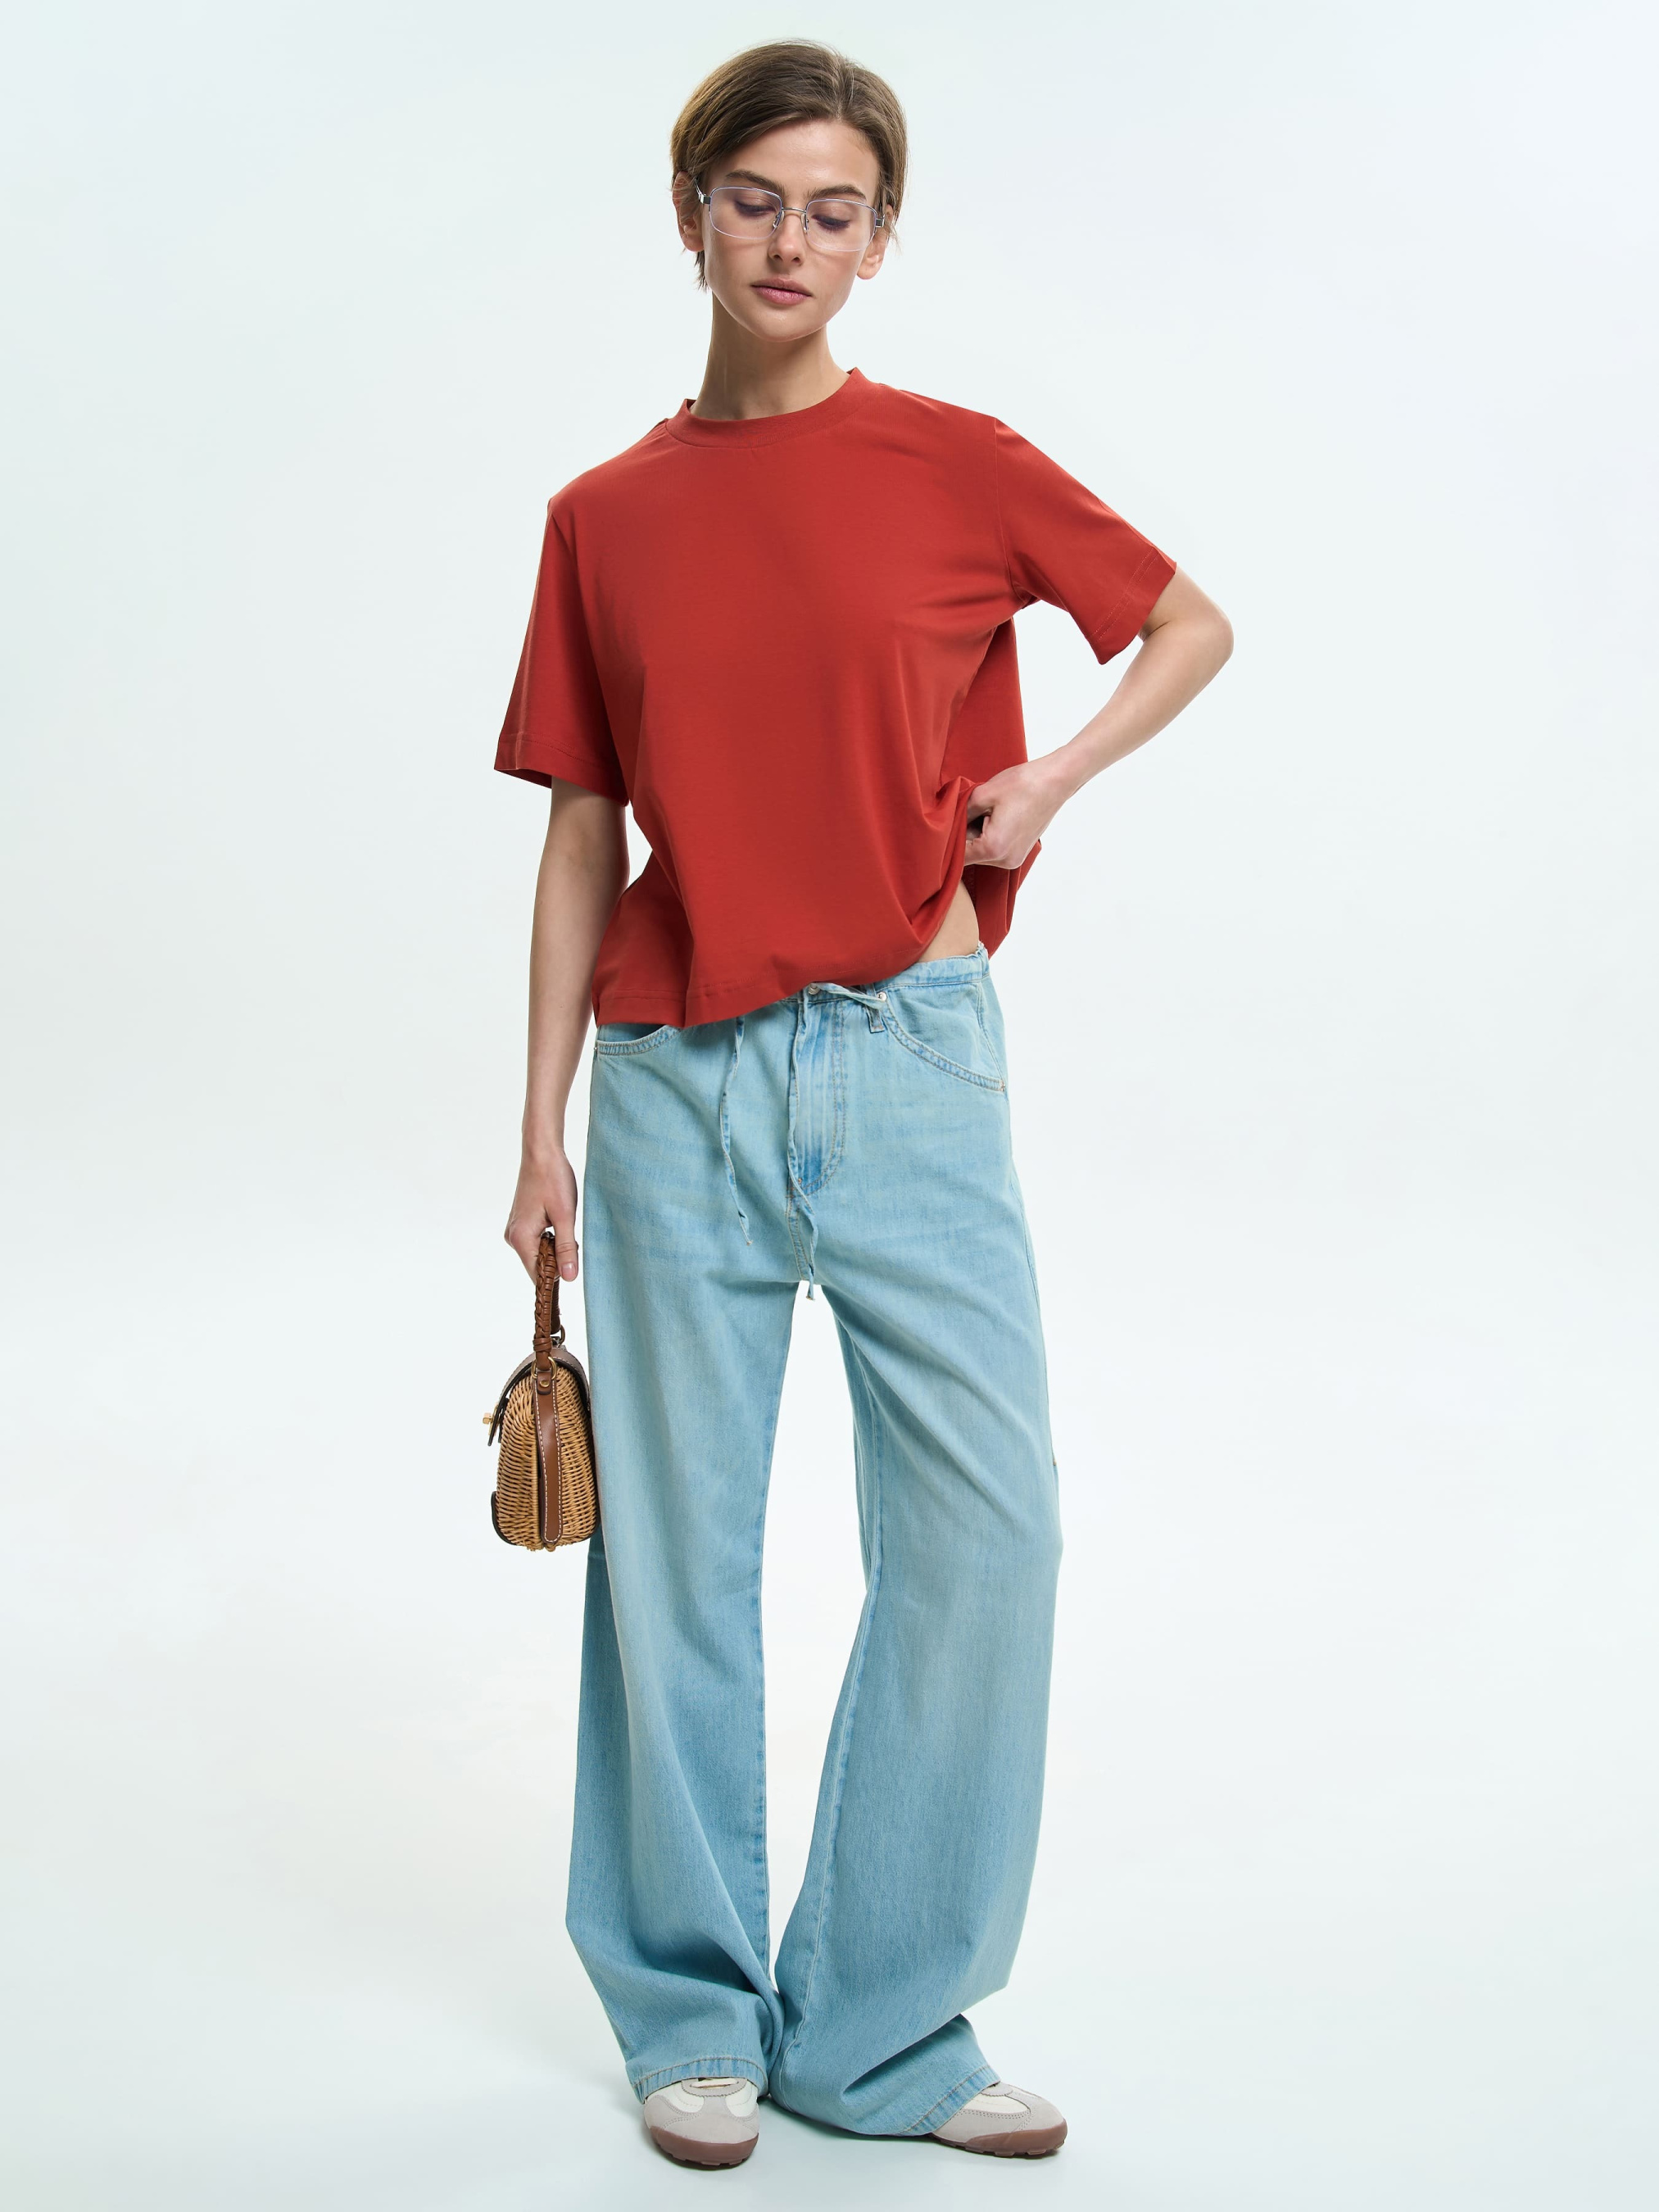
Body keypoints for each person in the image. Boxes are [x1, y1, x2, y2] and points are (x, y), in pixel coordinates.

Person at [496, 39, 1232, 2171]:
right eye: (754, 200)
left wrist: (1049, 779)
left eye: (833, 210)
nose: (790, 242)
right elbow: (578, 830)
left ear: (879, 239)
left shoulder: (955, 464)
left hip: (914, 1054)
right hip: (675, 1085)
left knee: (991, 1531)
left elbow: (1186, 624)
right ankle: (688, 2009)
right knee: (677, 1564)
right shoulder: (603, 520)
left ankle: (886, 2026)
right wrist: (536, 1128)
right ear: (690, 215)